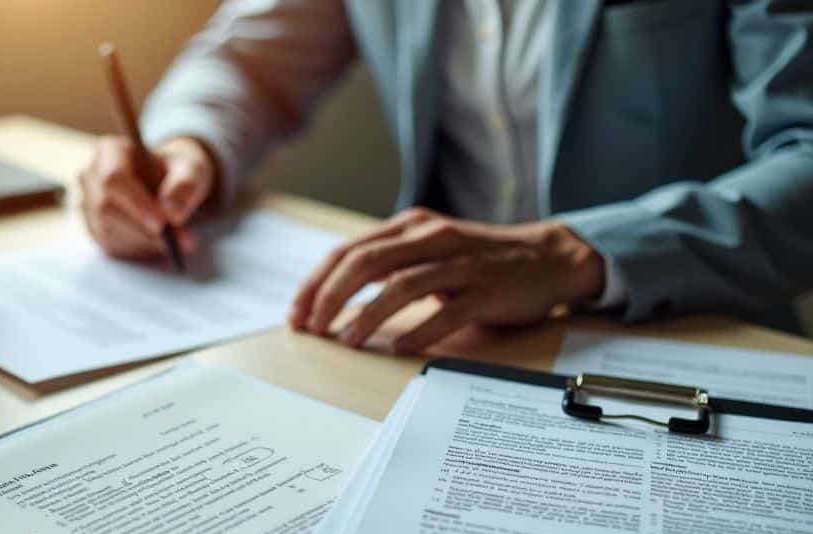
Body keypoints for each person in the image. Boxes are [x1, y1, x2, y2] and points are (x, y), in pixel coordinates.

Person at [79, 0, 813, 352]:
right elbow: (245, 56)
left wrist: (575, 254)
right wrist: (187, 147)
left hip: (702, 339)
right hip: (447, 344)